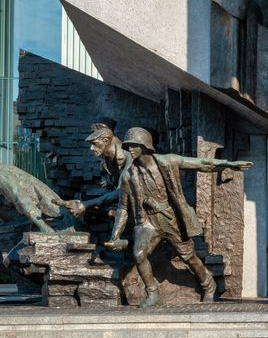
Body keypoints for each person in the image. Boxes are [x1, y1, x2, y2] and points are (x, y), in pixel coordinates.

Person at [104, 127, 251, 307]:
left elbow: (201, 164)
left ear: (145, 146)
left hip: (170, 219)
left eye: (134, 145)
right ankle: (152, 292)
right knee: (139, 254)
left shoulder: (167, 162)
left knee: (188, 257)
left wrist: (229, 164)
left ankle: (208, 285)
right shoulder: (128, 175)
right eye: (128, 146)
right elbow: (122, 208)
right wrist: (115, 235)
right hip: (148, 223)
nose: (130, 149)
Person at [0, 146, 75, 281]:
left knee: (16, 257)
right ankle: (27, 278)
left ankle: (33, 279)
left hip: (38, 215)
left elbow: (21, 200)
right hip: (1, 216)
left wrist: (44, 227)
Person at [64, 122, 131, 219]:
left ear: (105, 140)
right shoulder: (105, 160)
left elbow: (123, 191)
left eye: (94, 144)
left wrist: (86, 204)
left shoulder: (127, 155)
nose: (91, 148)